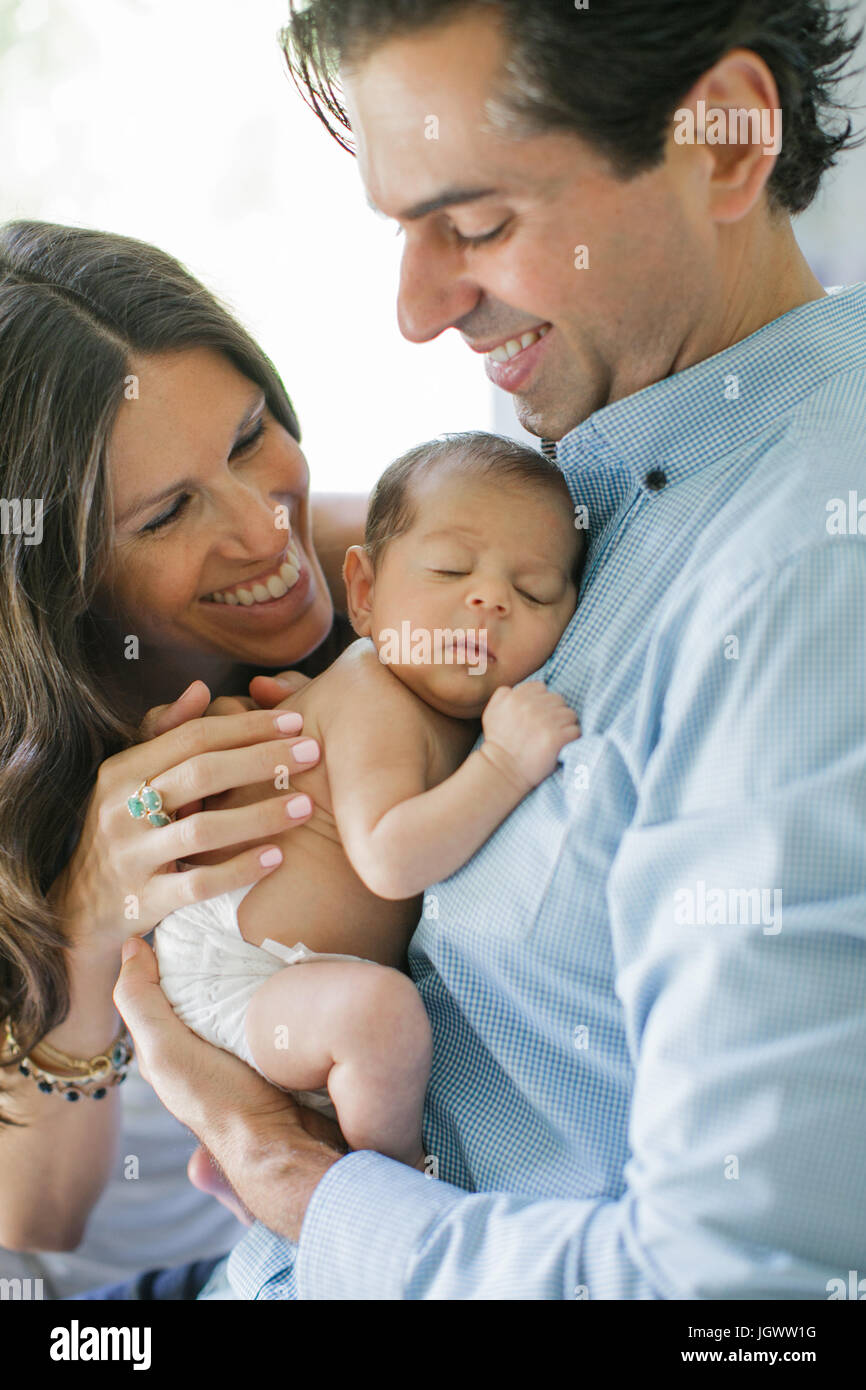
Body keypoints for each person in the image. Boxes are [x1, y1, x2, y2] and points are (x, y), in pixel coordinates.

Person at [112, 0, 866, 1300]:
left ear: (727, 145)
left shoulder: (804, 586)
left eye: (473, 225)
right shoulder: (605, 474)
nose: (416, 310)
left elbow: (744, 1293)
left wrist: (297, 1179)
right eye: (404, 228)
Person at [0, 218, 367, 1298]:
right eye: (168, 512)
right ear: (55, 581)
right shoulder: (26, 779)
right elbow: (36, 1213)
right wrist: (89, 917)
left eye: (250, 435)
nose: (265, 528)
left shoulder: (401, 573)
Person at [153, 433, 583, 1166]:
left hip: (300, 981)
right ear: (366, 594)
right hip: (243, 966)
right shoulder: (373, 692)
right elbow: (390, 857)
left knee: (376, 1018)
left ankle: (263, 1175)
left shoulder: (442, 709)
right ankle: (395, 1184)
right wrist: (507, 766)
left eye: (534, 591)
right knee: (384, 1018)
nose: (490, 600)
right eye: (450, 569)